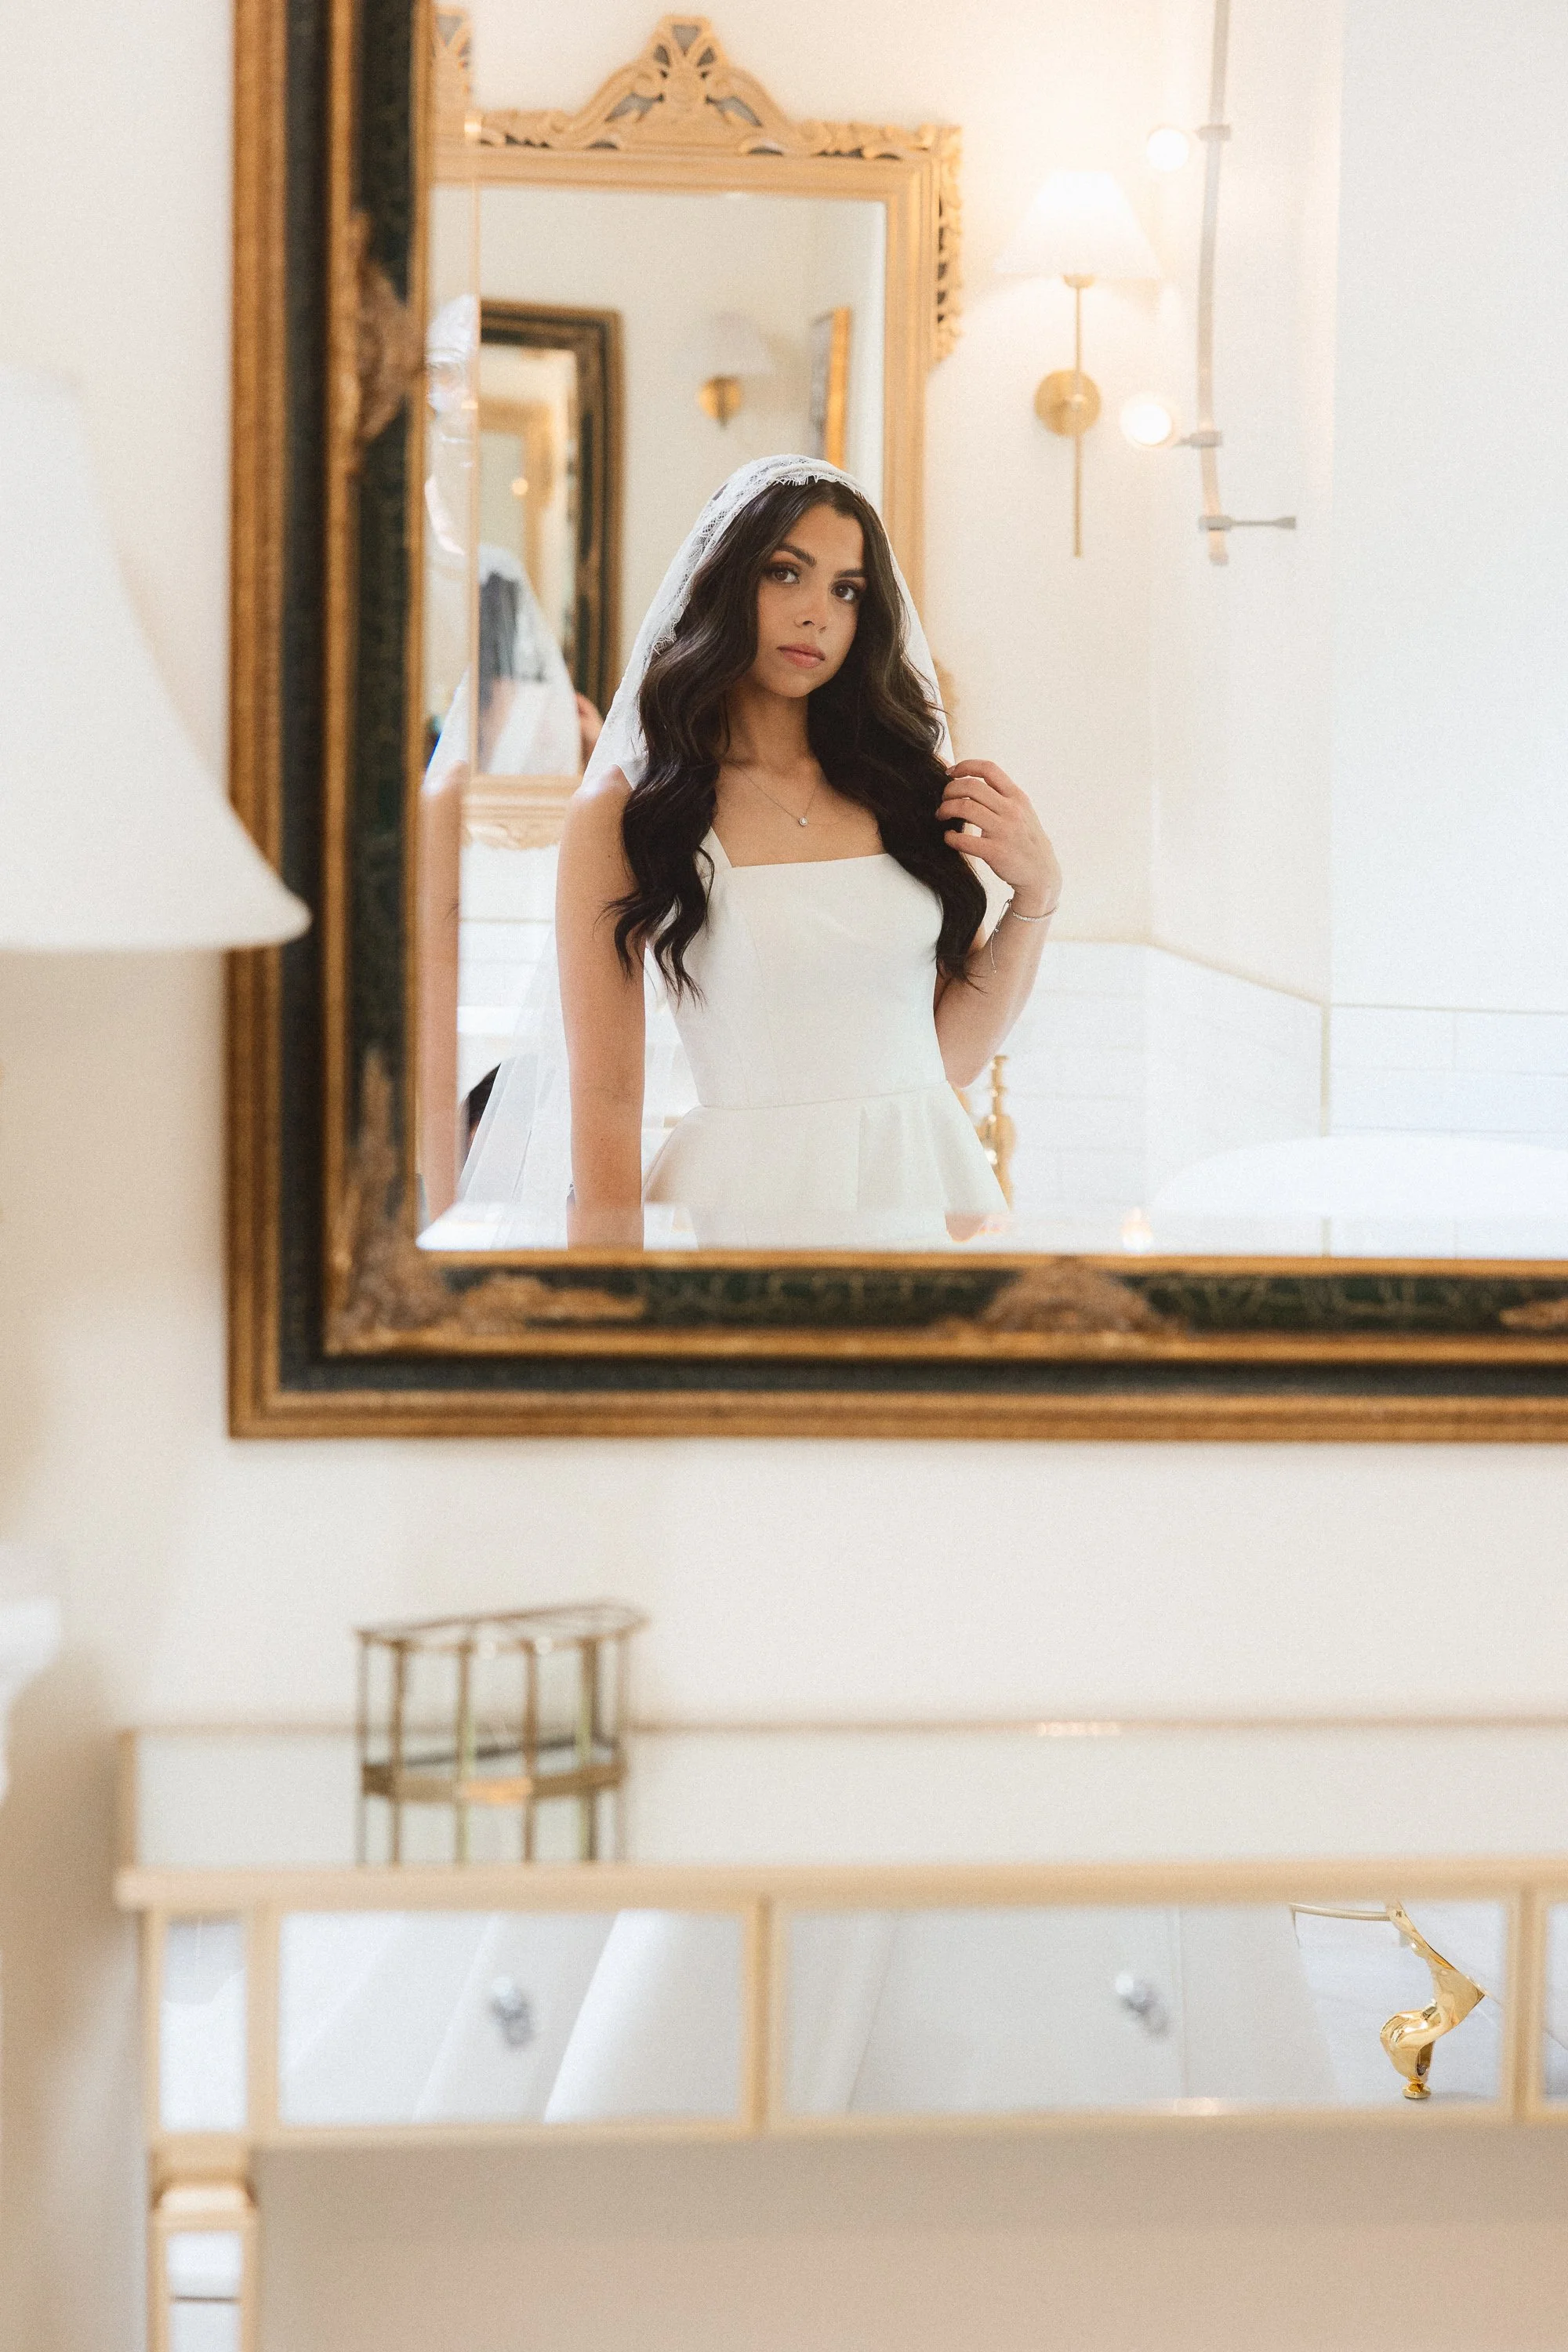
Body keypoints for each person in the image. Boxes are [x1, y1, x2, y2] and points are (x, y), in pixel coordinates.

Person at [463, 455, 1062, 1247]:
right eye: (786, 574)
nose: (817, 613)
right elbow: (605, 1097)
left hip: (927, 1190)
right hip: (748, 1204)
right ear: (723, 582)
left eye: (845, 590)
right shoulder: (630, 809)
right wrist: (610, 1299)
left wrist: (1035, 897)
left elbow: (948, 1055)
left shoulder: (906, 787)